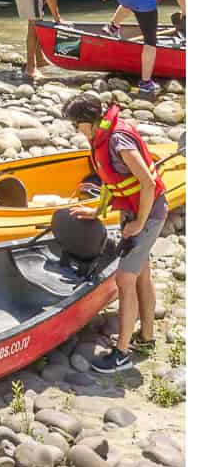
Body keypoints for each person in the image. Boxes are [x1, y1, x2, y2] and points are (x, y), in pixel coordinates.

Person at [63, 93, 164, 371]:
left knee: (124, 280)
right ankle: (146, 338)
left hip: (148, 213)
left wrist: (140, 223)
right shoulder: (102, 139)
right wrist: (97, 211)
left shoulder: (118, 140)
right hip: (133, 211)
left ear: (88, 122)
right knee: (141, 271)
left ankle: (121, 354)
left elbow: (146, 183)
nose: (75, 130)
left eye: (75, 125)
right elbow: (111, 181)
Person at [101, 0, 186, 97]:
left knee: (129, 1)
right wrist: (185, 12)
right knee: (150, 42)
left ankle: (112, 27)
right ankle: (145, 83)